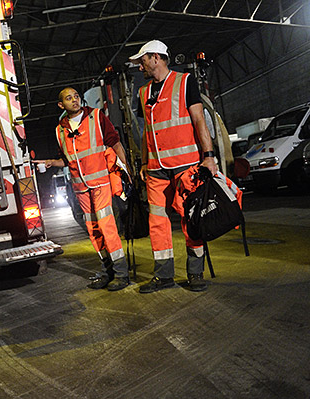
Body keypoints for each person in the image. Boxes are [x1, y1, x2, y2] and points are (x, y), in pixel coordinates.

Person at [129, 40, 218, 293]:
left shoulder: (185, 81)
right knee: (156, 221)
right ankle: (164, 275)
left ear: (156, 58)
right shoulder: (143, 92)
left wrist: (208, 155)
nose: (140, 67)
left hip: (185, 165)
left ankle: (195, 272)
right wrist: (145, 162)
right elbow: (147, 130)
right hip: (156, 169)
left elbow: (199, 120)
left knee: (190, 219)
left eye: (142, 60)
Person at [36, 87, 132, 291]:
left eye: (76, 97)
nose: (74, 101)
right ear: (61, 105)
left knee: (107, 227)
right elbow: (68, 160)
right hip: (80, 188)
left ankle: (122, 273)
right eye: (69, 99)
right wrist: (52, 162)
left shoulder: (96, 117)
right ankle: (108, 271)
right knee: (93, 230)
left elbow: (114, 143)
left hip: (100, 184)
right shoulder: (59, 130)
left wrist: (126, 169)